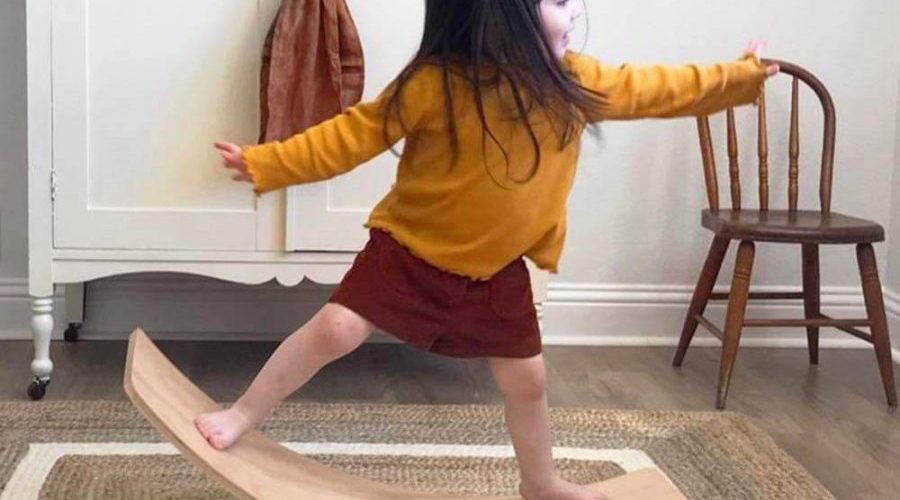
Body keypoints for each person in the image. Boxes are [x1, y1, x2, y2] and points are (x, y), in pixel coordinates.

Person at [196, 1, 779, 498]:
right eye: (554, 0)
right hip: (408, 252)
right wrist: (268, 161)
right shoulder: (433, 84)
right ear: (502, 15)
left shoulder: (575, 84)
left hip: (496, 273)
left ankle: (540, 481)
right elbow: (352, 135)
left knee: (528, 380)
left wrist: (740, 76)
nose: (572, 11)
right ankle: (242, 414)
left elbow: (660, 88)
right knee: (335, 330)